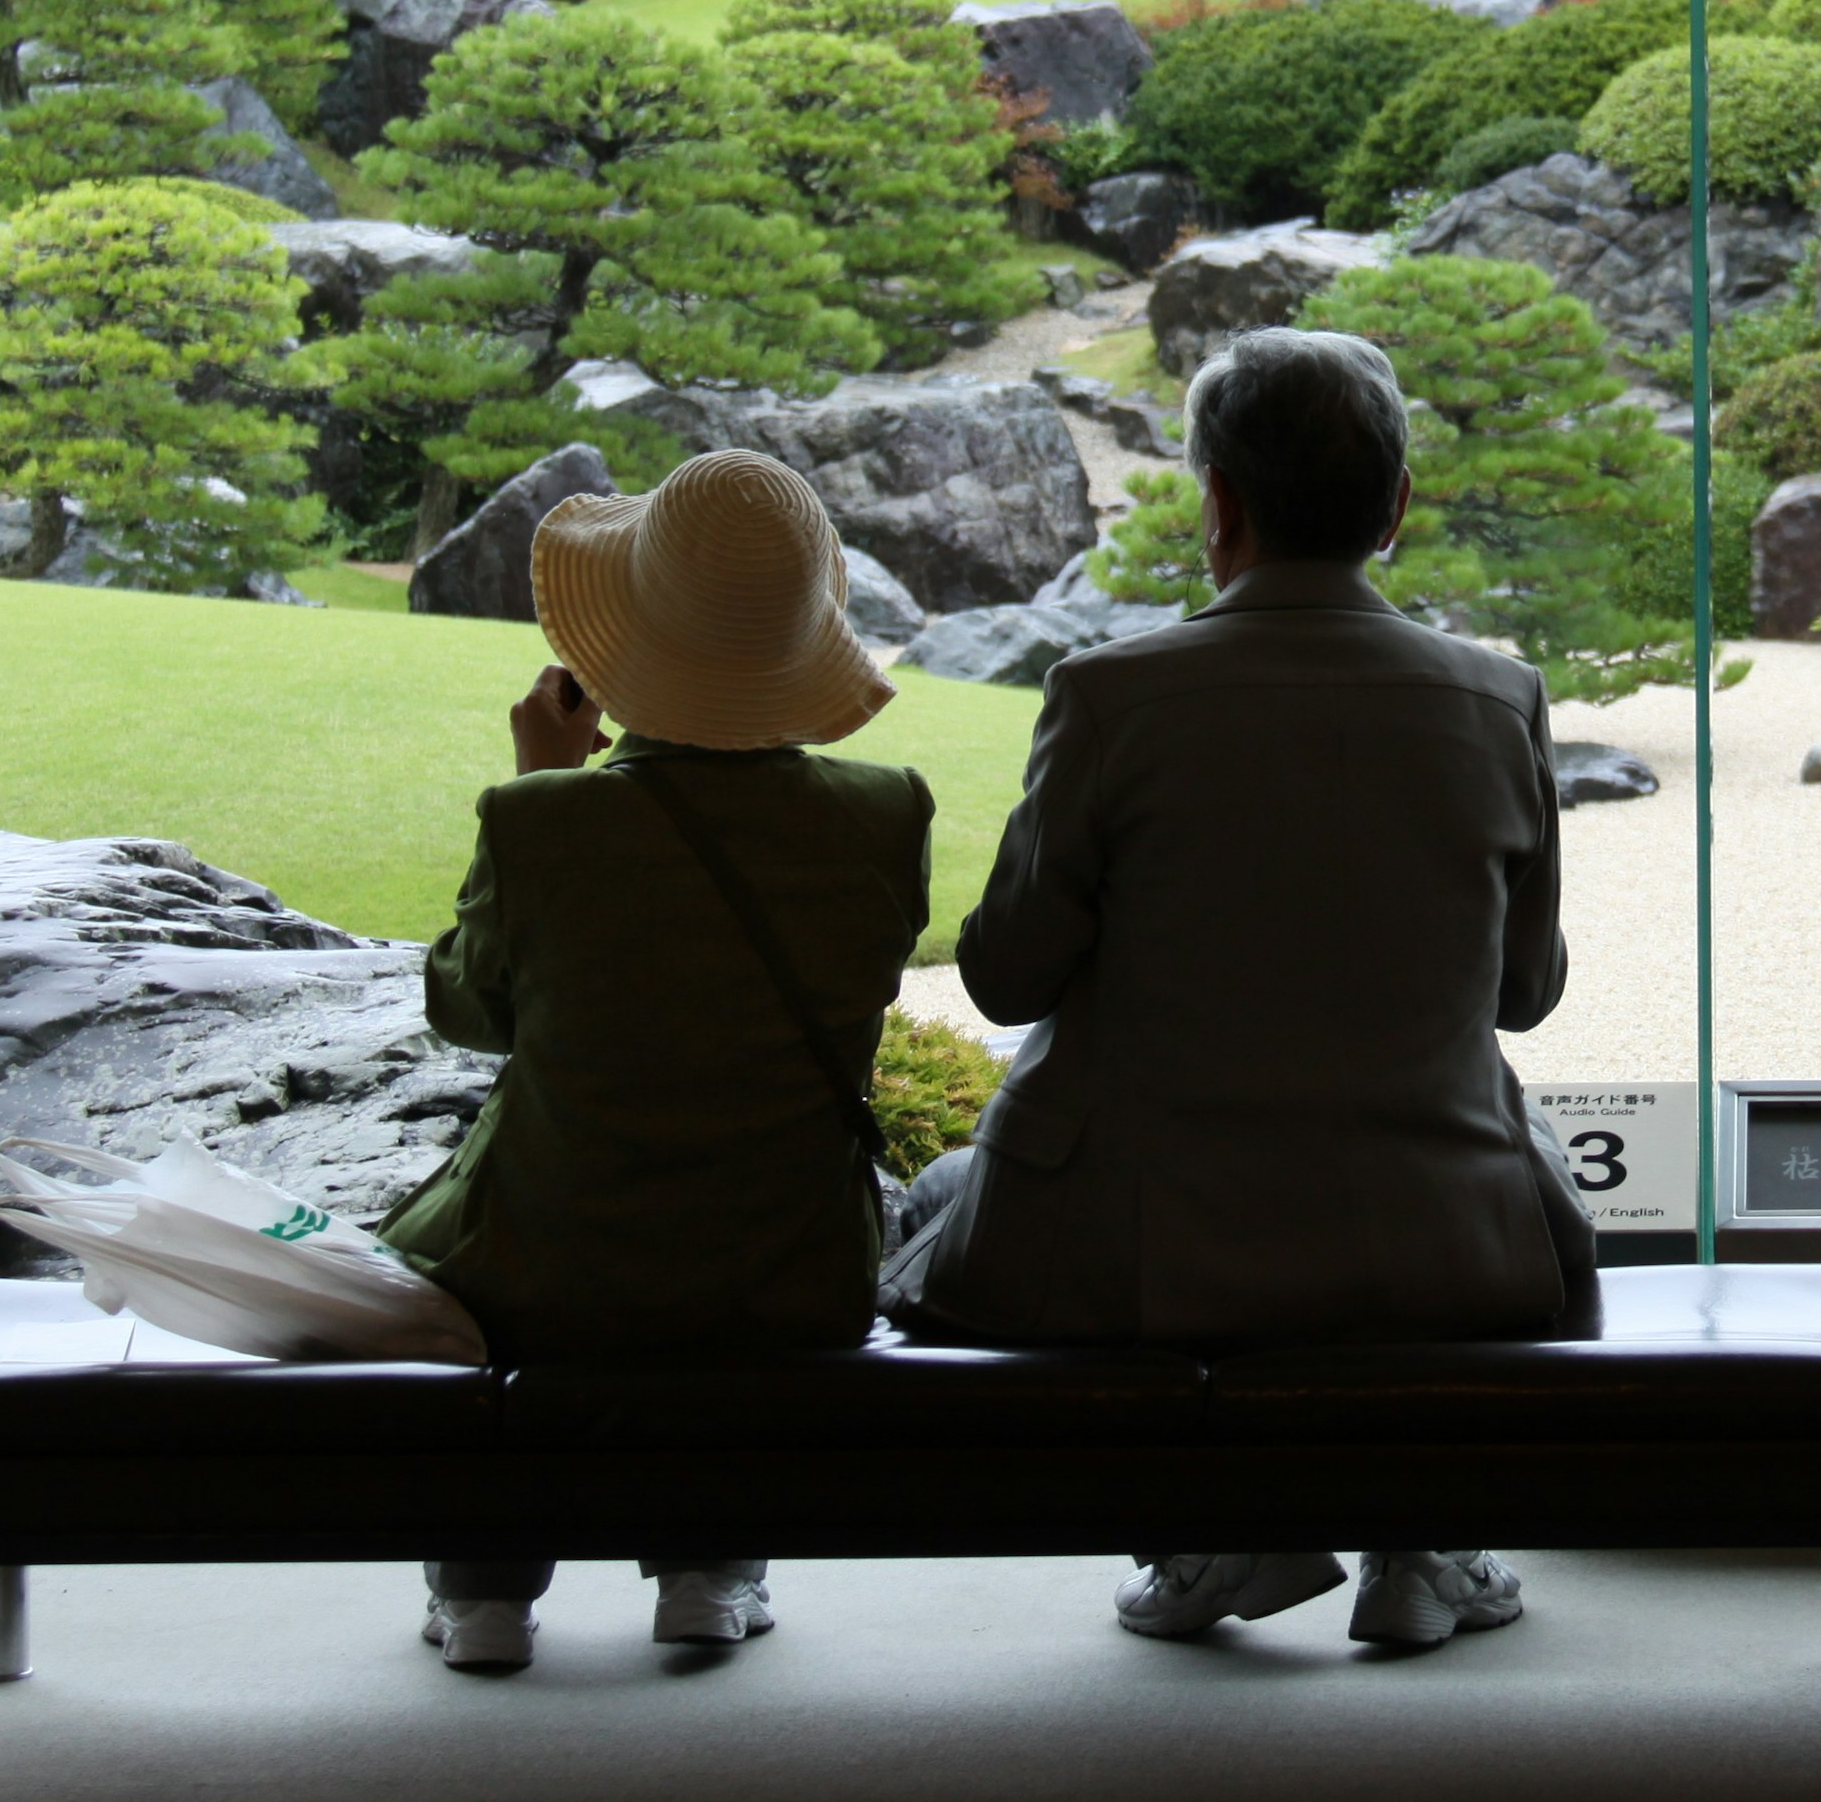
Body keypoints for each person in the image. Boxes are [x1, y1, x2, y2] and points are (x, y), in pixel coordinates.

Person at [885, 325, 1596, 1651]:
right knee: (1484, 1143)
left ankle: (1219, 1526)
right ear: (1397, 507)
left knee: (939, 1203)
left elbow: (1004, 976)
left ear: (1216, 504)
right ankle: (1418, 1539)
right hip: (1442, 1241)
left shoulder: (1111, 696)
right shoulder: (1499, 699)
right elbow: (1523, 995)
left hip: (1152, 1249)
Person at [381, 450, 933, 1674]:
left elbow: (467, 1011)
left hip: (554, 1263)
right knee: (718, 1250)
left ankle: (485, 1581)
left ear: (618, 641)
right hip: (788, 1268)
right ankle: (709, 1563)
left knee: (459, 1258)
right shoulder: (887, 813)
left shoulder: (541, 822)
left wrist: (544, 785)